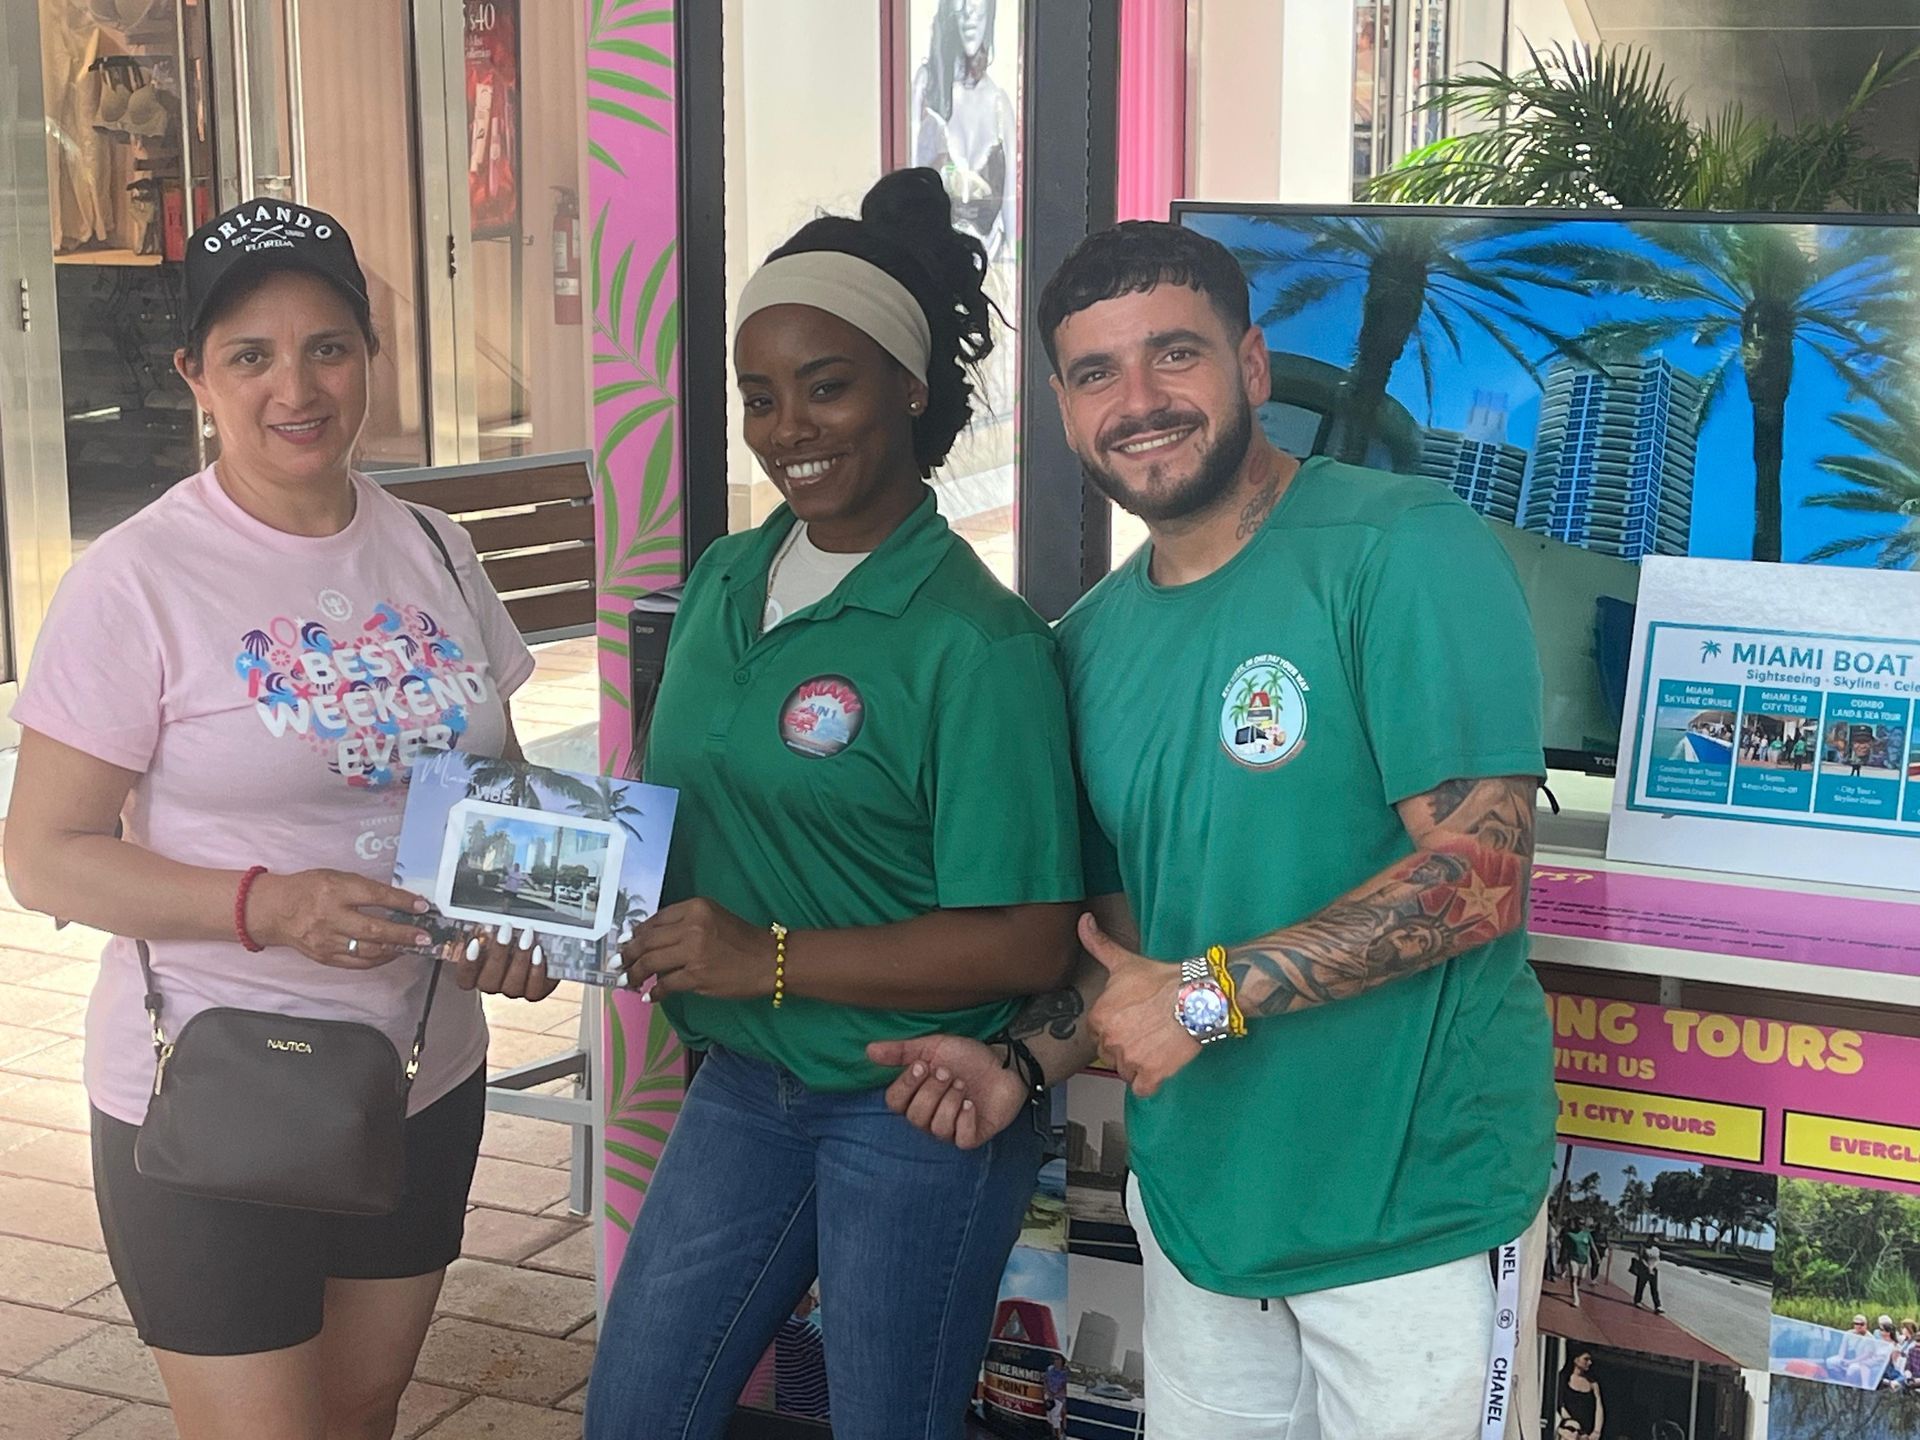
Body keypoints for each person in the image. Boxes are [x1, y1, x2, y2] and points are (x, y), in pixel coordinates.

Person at [873, 220, 1556, 1438]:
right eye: (1095, 374)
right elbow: (1131, 957)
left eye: (1172, 357)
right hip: (1201, 1221)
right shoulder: (1082, 646)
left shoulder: (1399, 546)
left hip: (1412, 1218)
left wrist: (1208, 996)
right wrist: (1025, 1062)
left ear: (1248, 366)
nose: (1138, 402)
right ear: (1065, 411)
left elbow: (1481, 874)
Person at [2, 198, 557, 1440]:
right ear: (196, 375)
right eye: (250, 355)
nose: (294, 387)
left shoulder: (434, 547)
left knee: (361, 1413)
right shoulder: (134, 579)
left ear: (370, 356)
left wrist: (514, 924)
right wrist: (270, 906)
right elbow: (42, 857)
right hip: (213, 1088)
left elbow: (498, 784)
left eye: (327, 347)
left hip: (420, 1072)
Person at [583, 169, 1084, 1440]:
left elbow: (1028, 937)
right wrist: (528, 907)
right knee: (637, 1414)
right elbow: (670, 818)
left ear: (909, 392)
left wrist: (772, 957)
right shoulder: (722, 581)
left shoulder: (975, 643)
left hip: (913, 1099)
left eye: (828, 384)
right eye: (759, 393)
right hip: (746, 1085)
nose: (787, 424)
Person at [911, 0, 1016, 262]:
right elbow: (907, 181)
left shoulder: (999, 102)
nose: (970, 15)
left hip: (991, 262)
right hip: (931, 262)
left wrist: (1016, 265)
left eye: (978, 6)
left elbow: (1012, 201)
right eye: (962, 5)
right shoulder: (926, 87)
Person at [1556, 1347, 1603, 1440]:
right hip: (1569, 1429)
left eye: (1590, 1360)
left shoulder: (1593, 1383)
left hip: (1586, 1434)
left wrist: (1597, 1431)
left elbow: (1599, 1407)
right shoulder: (1564, 1378)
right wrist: (1569, 1423)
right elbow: (1559, 1403)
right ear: (1576, 1360)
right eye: (1586, 1359)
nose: (1589, 1362)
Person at [1633, 1244, 1664, 1313]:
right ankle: (1637, 1300)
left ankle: (1657, 1305)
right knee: (1640, 1285)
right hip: (1644, 1268)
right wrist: (1647, 1266)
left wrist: (1652, 1267)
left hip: (1653, 1269)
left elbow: (1657, 1259)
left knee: (1654, 1288)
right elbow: (1640, 1258)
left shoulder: (1656, 1249)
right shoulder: (1642, 1247)